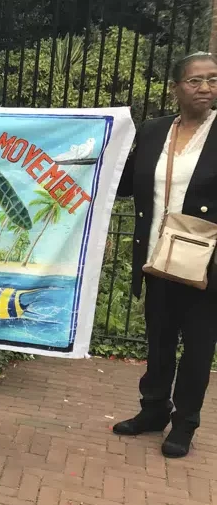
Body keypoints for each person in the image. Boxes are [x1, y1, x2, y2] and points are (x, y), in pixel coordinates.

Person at [111, 51, 217, 458]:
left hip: (205, 264)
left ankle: (185, 422)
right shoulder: (154, 131)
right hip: (157, 257)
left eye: (212, 79)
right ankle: (154, 409)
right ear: (176, 88)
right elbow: (124, 182)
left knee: (198, 347)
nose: (205, 88)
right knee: (158, 340)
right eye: (195, 80)